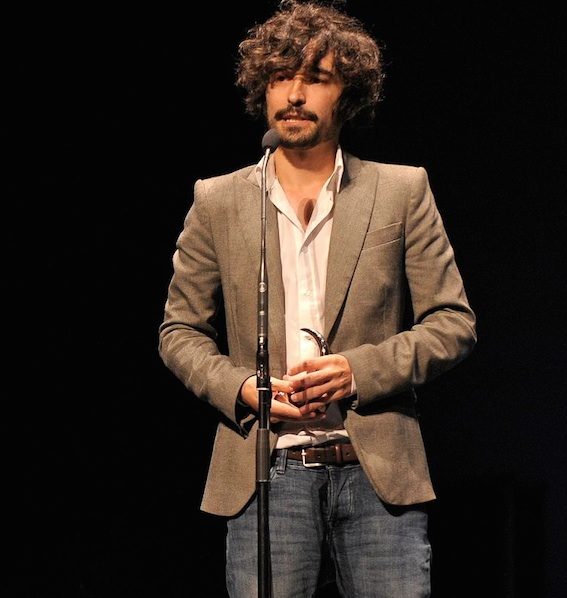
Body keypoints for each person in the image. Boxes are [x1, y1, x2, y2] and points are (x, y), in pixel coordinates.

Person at [159, 2, 476, 595]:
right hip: (265, 472)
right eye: (280, 77)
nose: (295, 95)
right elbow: (179, 333)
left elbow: (452, 323)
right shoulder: (219, 201)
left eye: (316, 78)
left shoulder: (401, 190)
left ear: (347, 93)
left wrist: (357, 371)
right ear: (262, 88)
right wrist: (245, 388)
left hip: (375, 472)